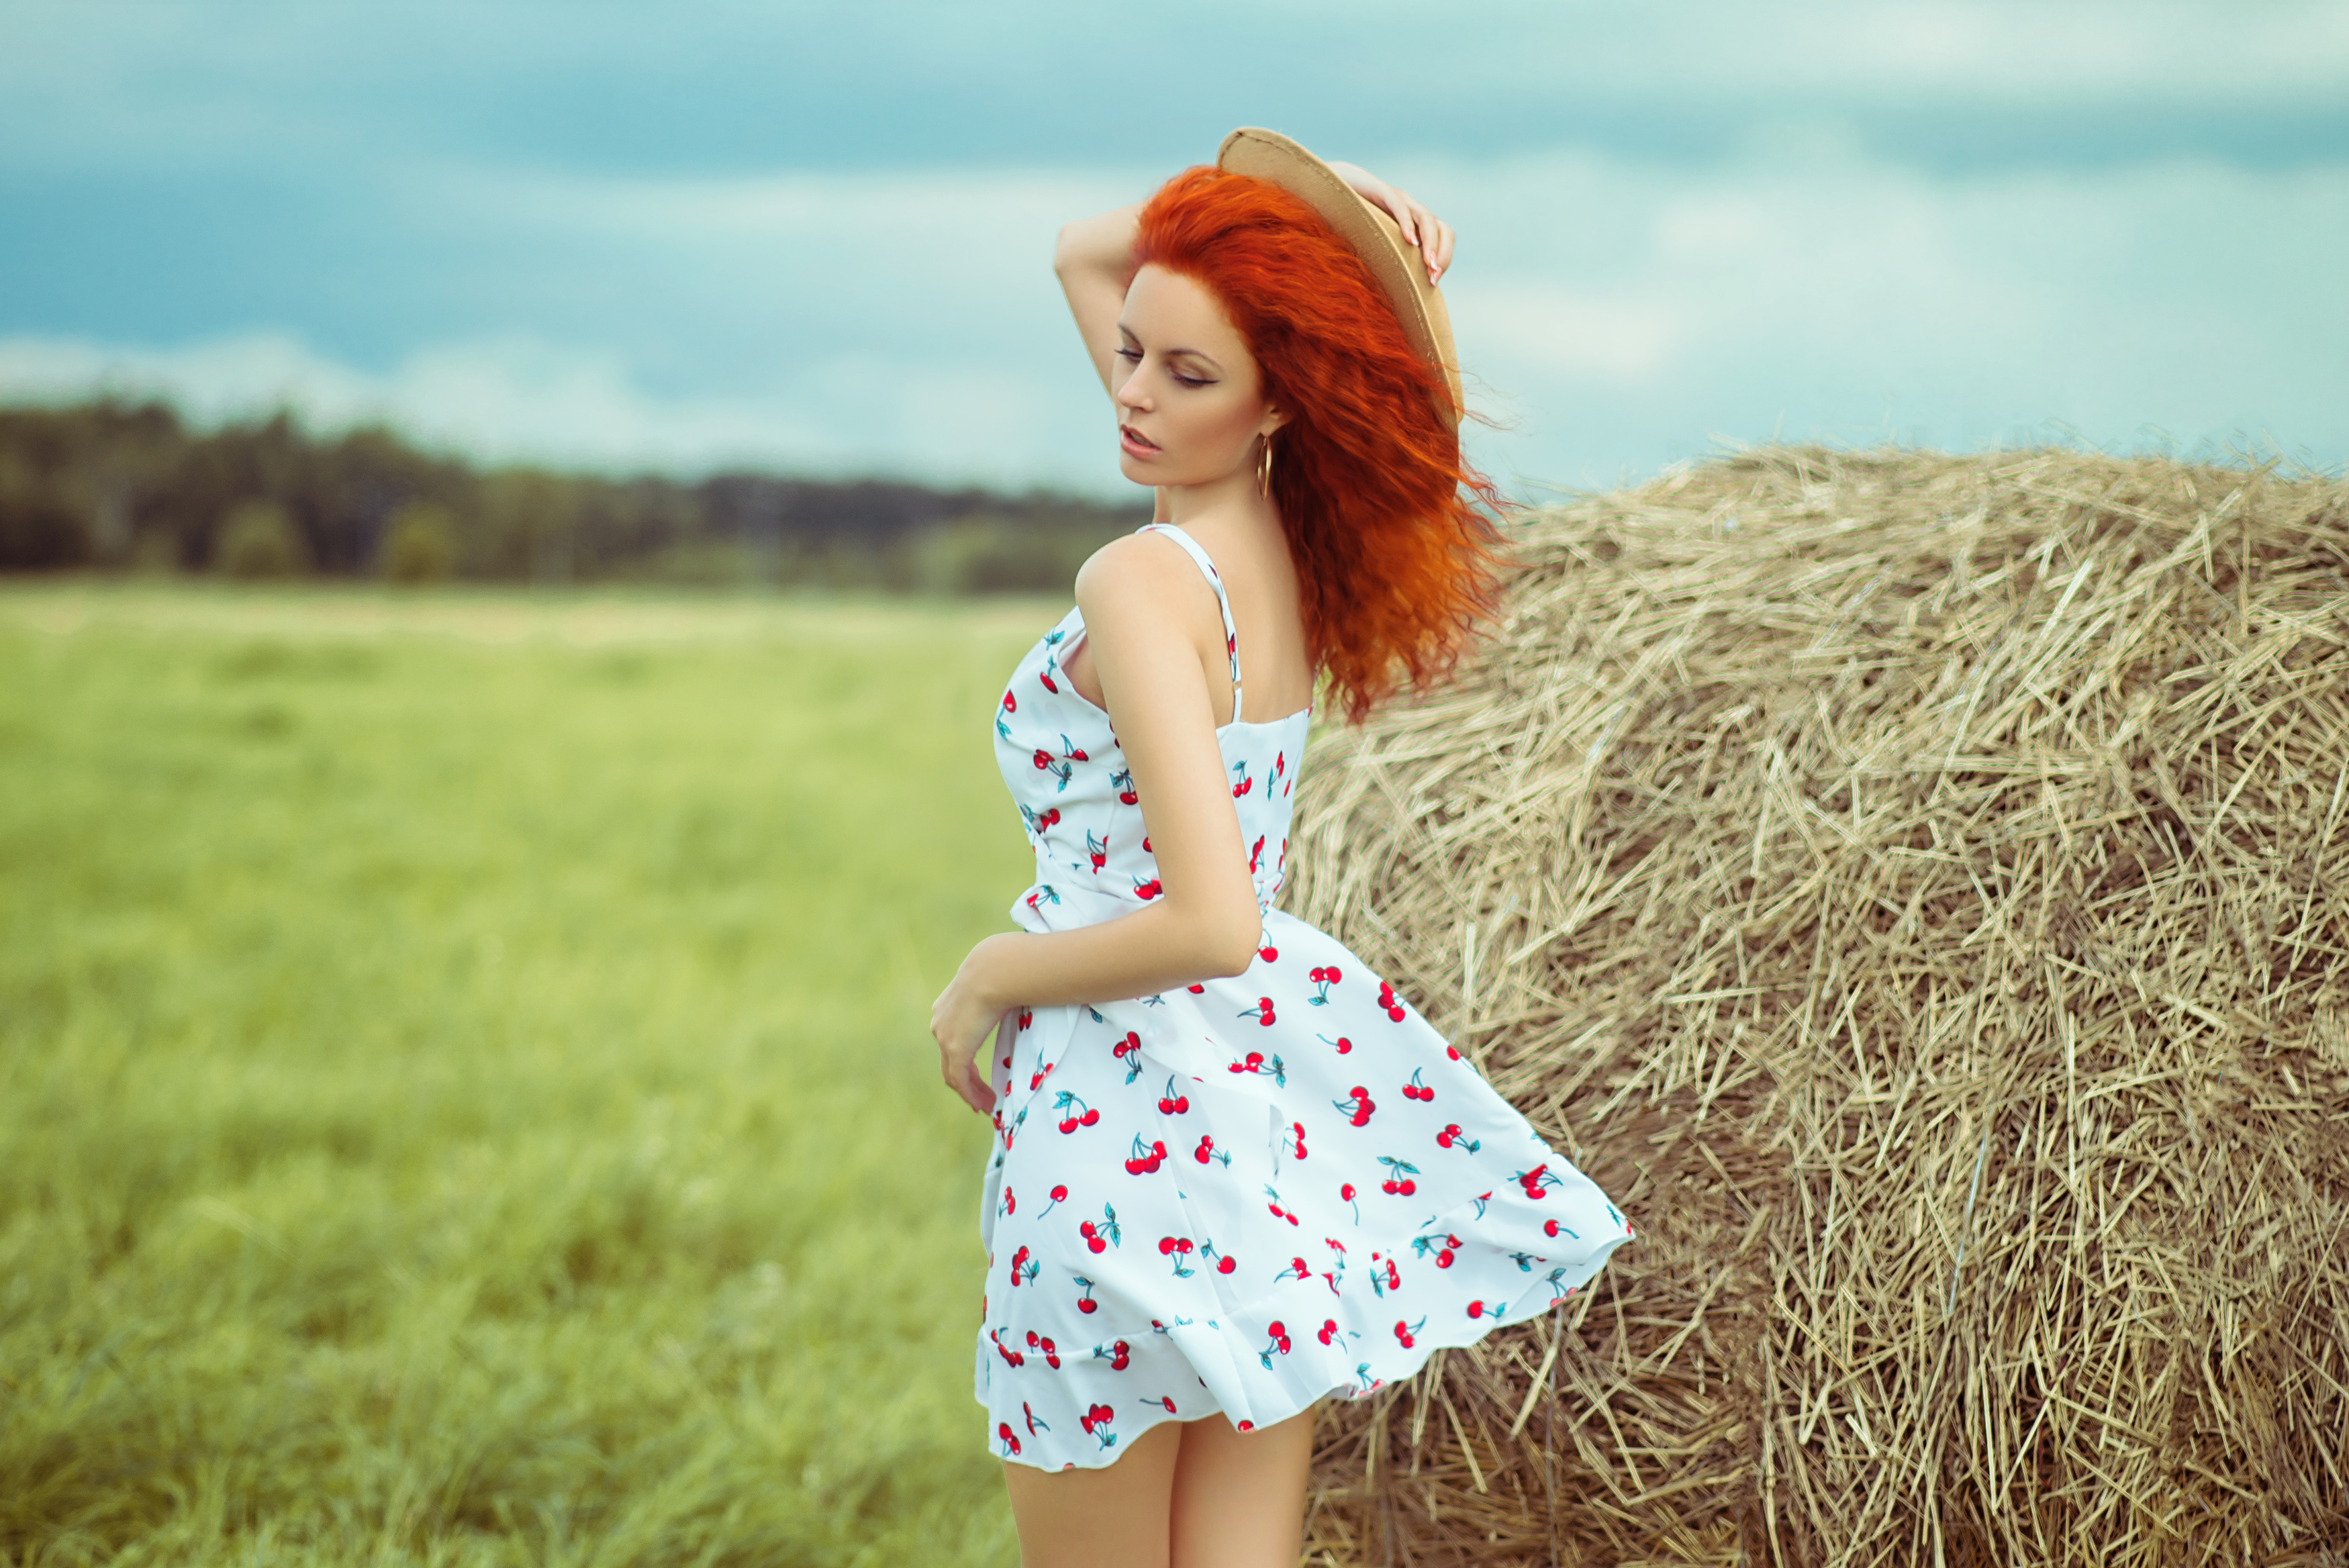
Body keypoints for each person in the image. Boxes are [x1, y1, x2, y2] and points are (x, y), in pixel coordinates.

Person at [930, 128, 1632, 1568]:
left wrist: (992, 970)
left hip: (1115, 1120)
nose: (1130, 394)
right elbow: (1087, 249)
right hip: (1249, 1118)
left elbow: (1211, 916)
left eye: (1184, 375)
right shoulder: (1275, 552)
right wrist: (1309, 226)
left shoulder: (1139, 578)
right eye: (1130, 353)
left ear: (1277, 402)